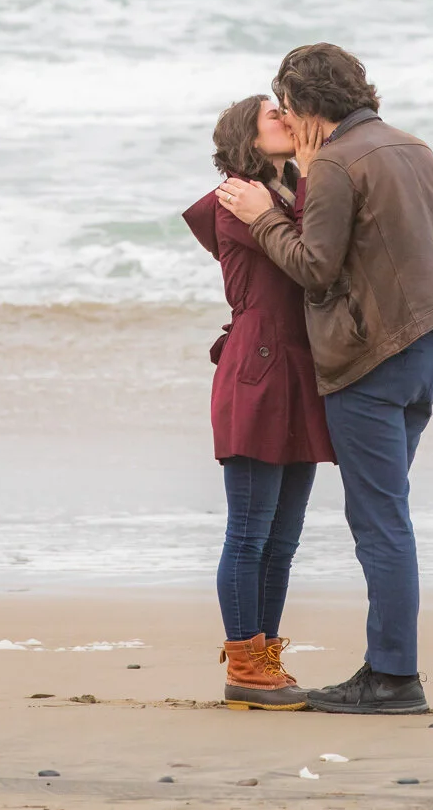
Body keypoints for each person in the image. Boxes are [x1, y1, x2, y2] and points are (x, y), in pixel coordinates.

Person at [216, 44, 433, 716]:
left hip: (373, 362)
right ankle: (387, 667)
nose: (287, 120)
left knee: (380, 522)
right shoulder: (416, 149)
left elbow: (317, 268)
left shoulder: (334, 164)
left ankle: (392, 675)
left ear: (308, 104)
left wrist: (263, 215)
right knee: (390, 515)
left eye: (288, 106)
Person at [183, 95, 337, 711]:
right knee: (249, 532)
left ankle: (267, 656)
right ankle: (244, 668)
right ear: (246, 136)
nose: (288, 118)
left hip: (299, 372)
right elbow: (306, 263)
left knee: (284, 538)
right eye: (274, 115)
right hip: (256, 370)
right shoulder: (235, 198)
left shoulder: (290, 191)